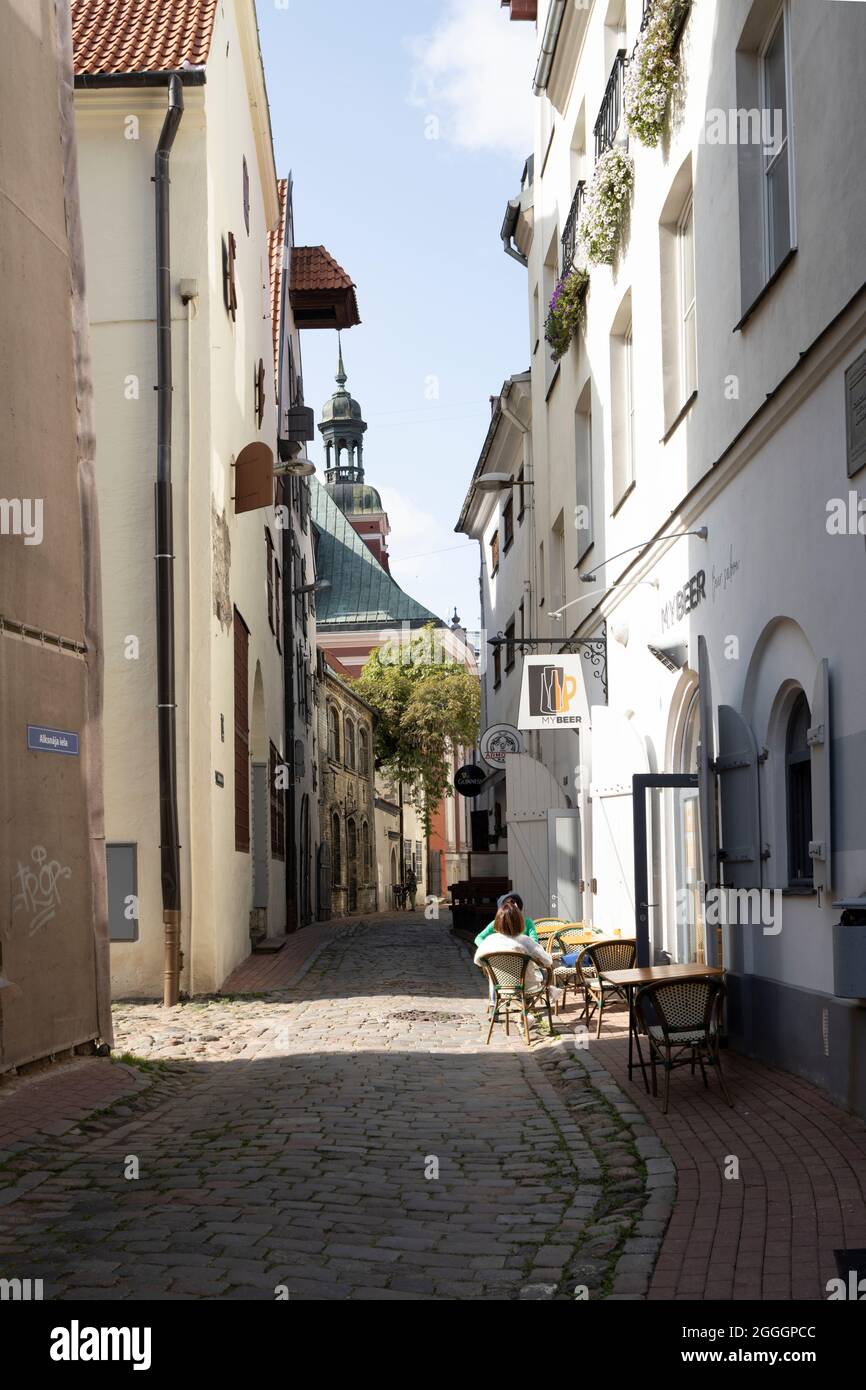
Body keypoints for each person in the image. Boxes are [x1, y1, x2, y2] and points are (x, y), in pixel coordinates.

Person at [474, 899, 553, 992]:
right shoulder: (525, 941)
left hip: (500, 986)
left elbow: (478, 961)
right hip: (526, 987)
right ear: (520, 921)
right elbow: (547, 961)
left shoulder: (489, 941)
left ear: (497, 921)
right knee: (545, 974)